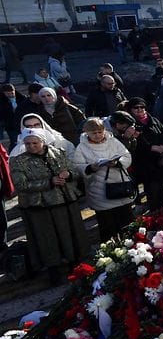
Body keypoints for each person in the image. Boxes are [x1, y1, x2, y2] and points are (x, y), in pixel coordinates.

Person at [10, 129, 89, 285]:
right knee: (46, 239)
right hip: (39, 206)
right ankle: (54, 270)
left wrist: (68, 175)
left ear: (43, 141)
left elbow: (73, 171)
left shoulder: (58, 152)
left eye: (35, 143)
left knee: (69, 233)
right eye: (27, 144)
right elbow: (21, 184)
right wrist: (49, 182)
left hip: (64, 200)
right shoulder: (18, 161)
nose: (31, 146)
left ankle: (75, 264)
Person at [73, 118, 134, 244]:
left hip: (120, 185)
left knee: (127, 223)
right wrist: (91, 168)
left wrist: (118, 163)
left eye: (100, 132)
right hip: (99, 191)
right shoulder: (81, 147)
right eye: (94, 133)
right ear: (87, 133)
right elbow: (78, 166)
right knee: (107, 226)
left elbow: (126, 155)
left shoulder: (113, 141)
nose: (98, 135)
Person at [126, 97, 163, 211]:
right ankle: (155, 214)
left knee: (162, 190)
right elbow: (133, 146)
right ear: (130, 110)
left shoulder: (154, 120)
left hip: (161, 162)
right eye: (136, 108)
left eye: (142, 107)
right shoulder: (130, 125)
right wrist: (151, 148)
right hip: (146, 165)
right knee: (153, 193)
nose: (140, 110)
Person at [10, 114, 76, 158]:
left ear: (42, 125)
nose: (33, 128)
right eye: (29, 126)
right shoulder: (19, 149)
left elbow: (73, 159)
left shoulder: (60, 141)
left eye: (36, 125)